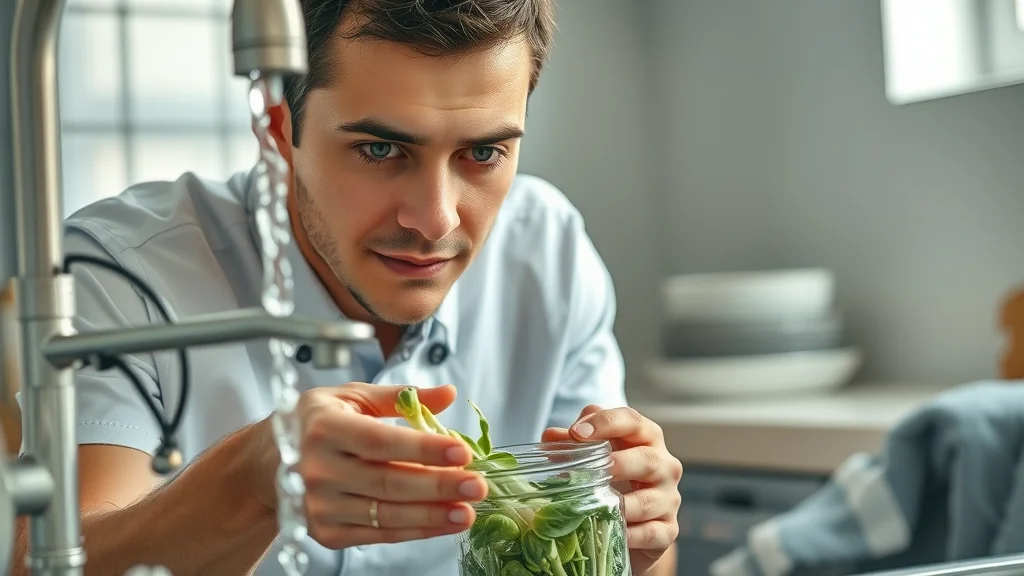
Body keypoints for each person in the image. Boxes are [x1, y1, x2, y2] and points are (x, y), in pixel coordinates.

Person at [13, 0, 683, 574]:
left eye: (482, 153)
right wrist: (253, 482)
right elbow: (58, 557)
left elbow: (619, 539)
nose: (436, 220)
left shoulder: (549, 252)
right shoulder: (127, 272)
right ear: (279, 128)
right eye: (381, 150)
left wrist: (637, 537)